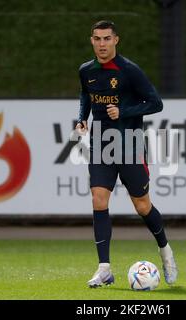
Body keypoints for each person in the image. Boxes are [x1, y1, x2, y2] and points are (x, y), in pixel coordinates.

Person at [75, 20, 178, 288]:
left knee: (142, 205)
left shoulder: (130, 71)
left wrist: (124, 112)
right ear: (92, 41)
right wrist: (81, 118)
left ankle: (165, 251)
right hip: (101, 144)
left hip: (130, 145)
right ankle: (104, 268)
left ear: (116, 40)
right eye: (97, 39)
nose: (102, 44)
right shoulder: (86, 71)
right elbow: (86, 96)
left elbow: (156, 103)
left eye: (107, 38)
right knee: (99, 200)